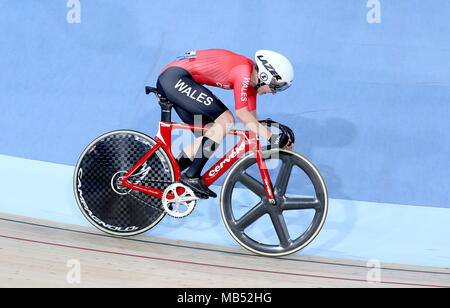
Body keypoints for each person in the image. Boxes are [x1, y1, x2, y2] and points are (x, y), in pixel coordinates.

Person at [156, 49, 294, 198]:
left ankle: (164, 178)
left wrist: (278, 138)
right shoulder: (243, 72)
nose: (274, 92)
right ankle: (191, 177)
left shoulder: (251, 84)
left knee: (210, 135)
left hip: (176, 78)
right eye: (275, 87)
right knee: (226, 120)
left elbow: (252, 118)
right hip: (174, 77)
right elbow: (242, 114)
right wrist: (272, 138)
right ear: (264, 76)